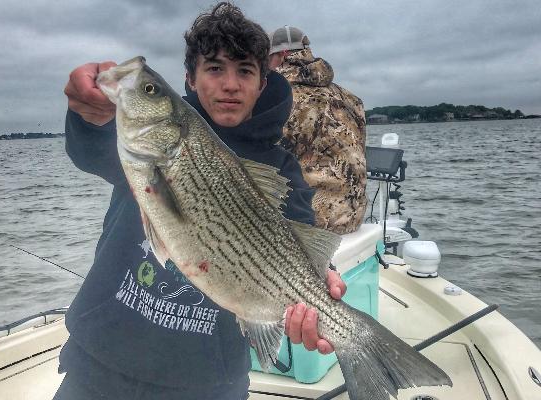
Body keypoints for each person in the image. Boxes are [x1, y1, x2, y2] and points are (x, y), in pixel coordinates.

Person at [56, 3, 346, 400]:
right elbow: (90, 150)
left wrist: (320, 277)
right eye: (214, 68)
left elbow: (297, 241)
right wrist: (89, 116)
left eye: (245, 70)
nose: (230, 84)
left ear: (263, 83)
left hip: (208, 382)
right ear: (189, 79)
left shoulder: (281, 167)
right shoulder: (143, 149)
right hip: (100, 365)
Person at [269, 26, 367, 235]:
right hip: (353, 216)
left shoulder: (280, 97)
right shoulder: (351, 98)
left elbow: (268, 158)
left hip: (309, 219)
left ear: (281, 55)